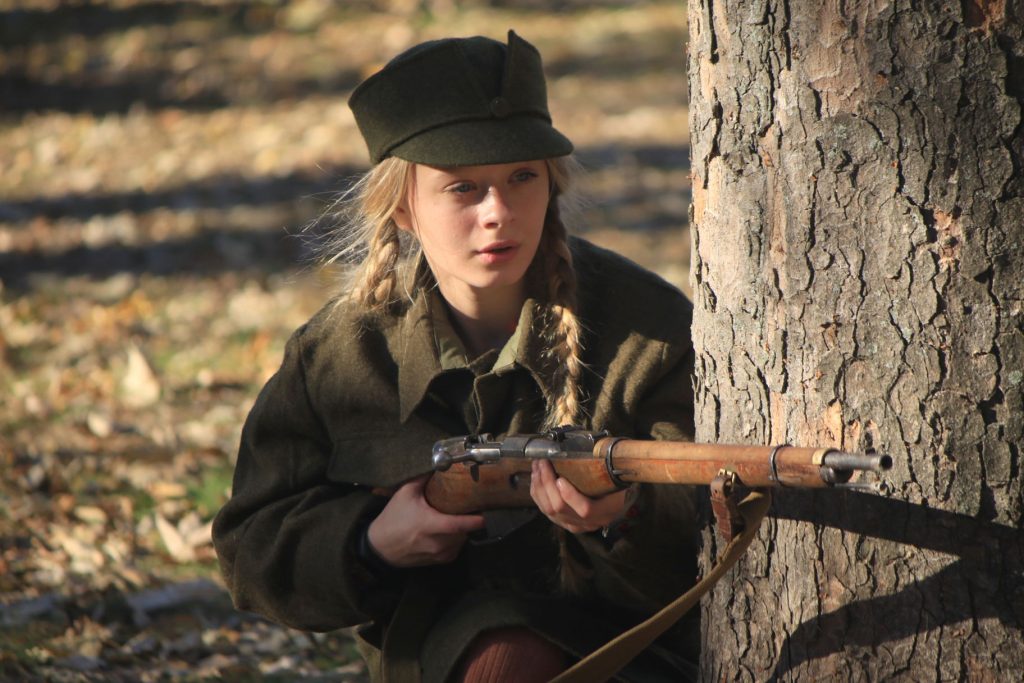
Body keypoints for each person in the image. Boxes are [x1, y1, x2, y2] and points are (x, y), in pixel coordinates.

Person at [212, 30, 700, 683]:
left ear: (550, 184)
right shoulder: (341, 354)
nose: (498, 213)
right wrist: (371, 542)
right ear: (403, 207)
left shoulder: (649, 330)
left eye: (522, 177)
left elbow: (713, 526)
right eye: (464, 187)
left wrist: (624, 518)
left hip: (634, 653)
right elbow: (249, 549)